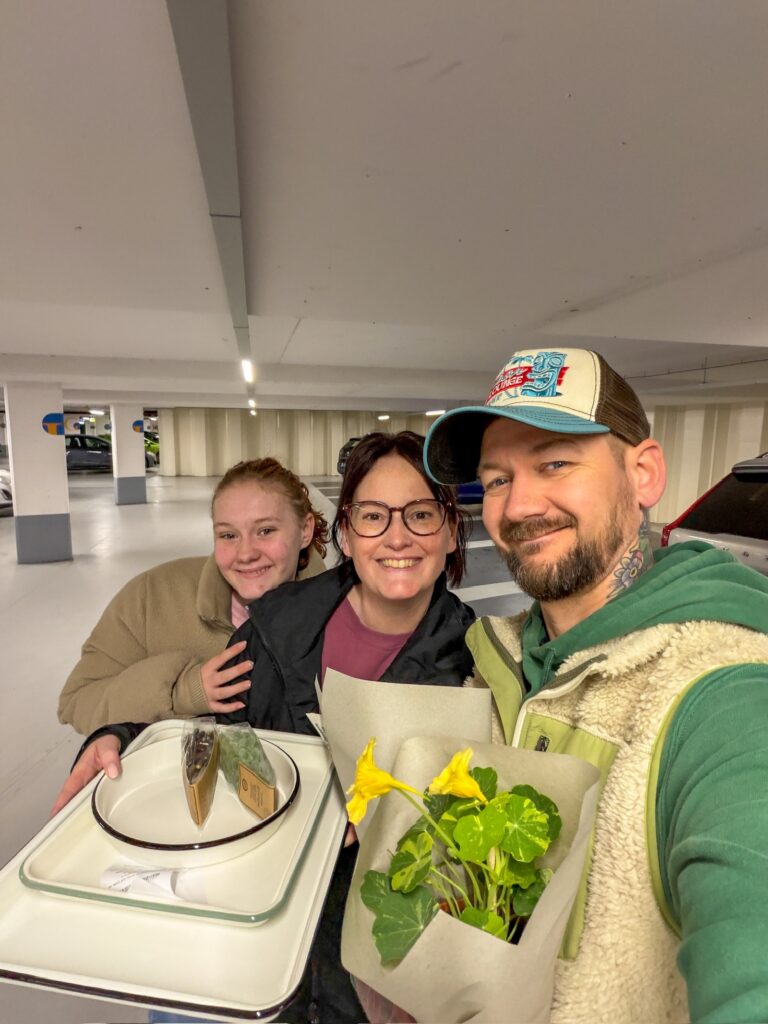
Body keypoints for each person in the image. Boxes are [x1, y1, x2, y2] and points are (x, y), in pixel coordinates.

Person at [52, 431, 476, 1022]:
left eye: (422, 514)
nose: (398, 535)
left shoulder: (479, 664)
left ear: (452, 531)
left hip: (369, 963)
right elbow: (221, 740)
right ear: (346, 535)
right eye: (374, 516)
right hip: (245, 926)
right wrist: (125, 737)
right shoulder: (275, 625)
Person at [423, 347, 768, 1024]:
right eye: (496, 480)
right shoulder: (497, 660)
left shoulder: (723, 693)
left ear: (643, 474)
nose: (518, 505)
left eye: (555, 463)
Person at [57, 457, 329, 735]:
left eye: (266, 531)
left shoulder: (345, 611)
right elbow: (77, 701)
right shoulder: (150, 597)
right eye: (228, 535)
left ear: (305, 530)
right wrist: (184, 691)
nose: (246, 553)